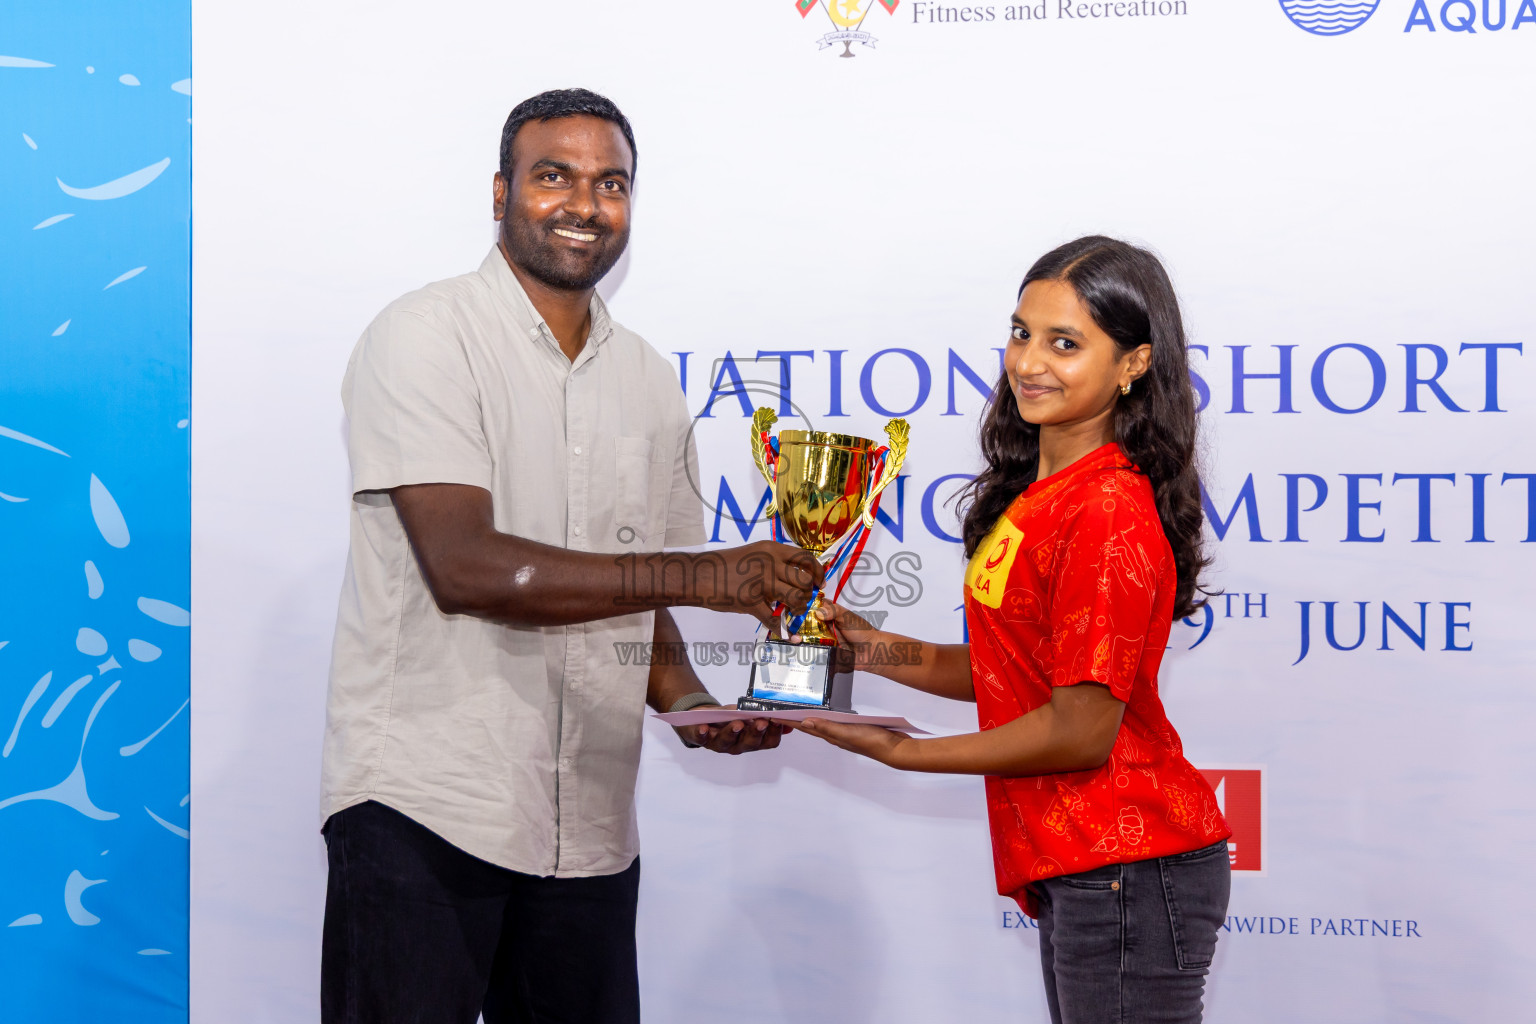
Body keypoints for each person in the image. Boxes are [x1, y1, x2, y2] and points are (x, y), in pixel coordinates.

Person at [318, 88, 823, 1024]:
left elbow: (636, 592)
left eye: (612, 183)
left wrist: (693, 707)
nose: (585, 205)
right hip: (429, 806)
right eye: (555, 176)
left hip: (590, 828)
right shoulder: (424, 335)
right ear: (502, 190)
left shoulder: (648, 378)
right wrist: (704, 573)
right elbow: (465, 567)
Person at [799, 236, 1233, 1023]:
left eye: (1066, 343)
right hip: (1095, 863)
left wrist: (908, 752)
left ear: (1132, 364)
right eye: (1022, 332)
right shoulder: (1045, 495)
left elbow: (1080, 731)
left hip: (1131, 863)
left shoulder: (1105, 510)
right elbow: (1011, 671)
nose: (1029, 361)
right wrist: (863, 642)